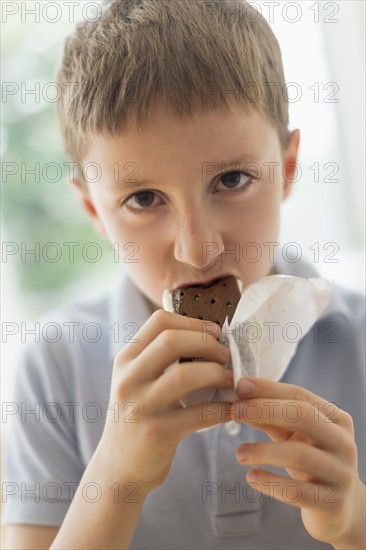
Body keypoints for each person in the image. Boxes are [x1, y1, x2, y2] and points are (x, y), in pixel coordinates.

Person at [3, 1, 365, 549]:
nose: (199, 249)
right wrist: (116, 478)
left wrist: (355, 521)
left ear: (287, 167)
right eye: (144, 198)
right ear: (95, 211)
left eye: (233, 179)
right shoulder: (54, 369)